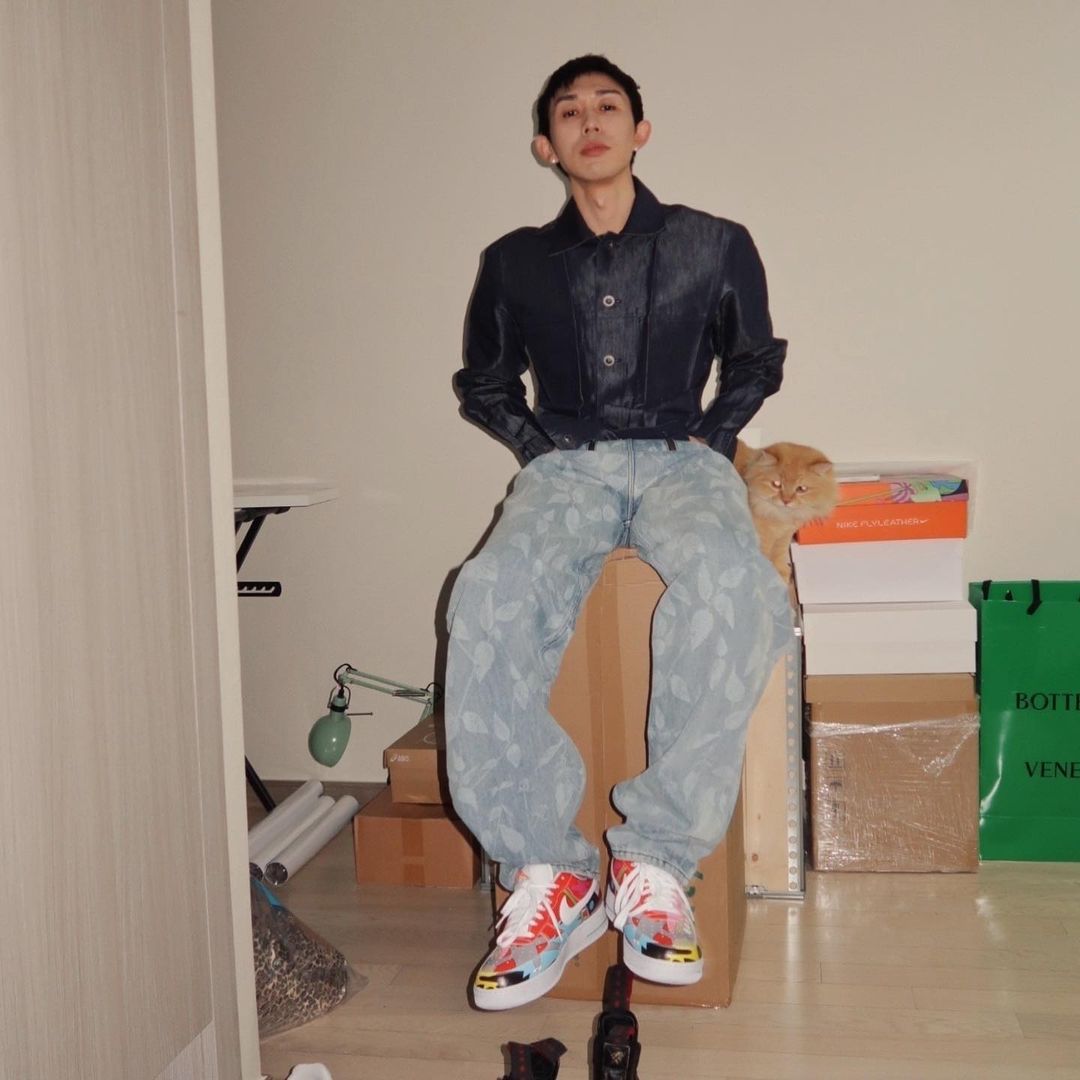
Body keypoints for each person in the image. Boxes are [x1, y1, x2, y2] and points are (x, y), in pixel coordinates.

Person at [445, 54, 792, 1011]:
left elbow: (755, 357)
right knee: (489, 593)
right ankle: (548, 873)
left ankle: (658, 863)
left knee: (737, 587)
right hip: (569, 468)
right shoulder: (514, 260)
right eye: (569, 112)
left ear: (641, 131)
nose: (589, 122)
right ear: (545, 145)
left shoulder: (714, 242)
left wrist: (714, 437)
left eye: (609, 107)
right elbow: (484, 382)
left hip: (686, 461)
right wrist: (541, 448)